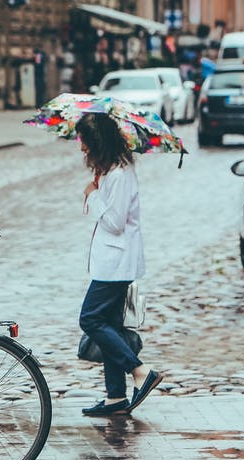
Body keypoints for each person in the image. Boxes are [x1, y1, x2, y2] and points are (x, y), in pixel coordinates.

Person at [76, 112, 163, 416]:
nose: (80, 147)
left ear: (96, 142)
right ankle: (116, 397)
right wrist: (97, 189)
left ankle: (139, 370)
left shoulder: (119, 174)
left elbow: (114, 222)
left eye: (83, 140)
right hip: (112, 262)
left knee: (90, 319)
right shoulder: (111, 172)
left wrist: (94, 194)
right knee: (110, 323)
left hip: (117, 263)